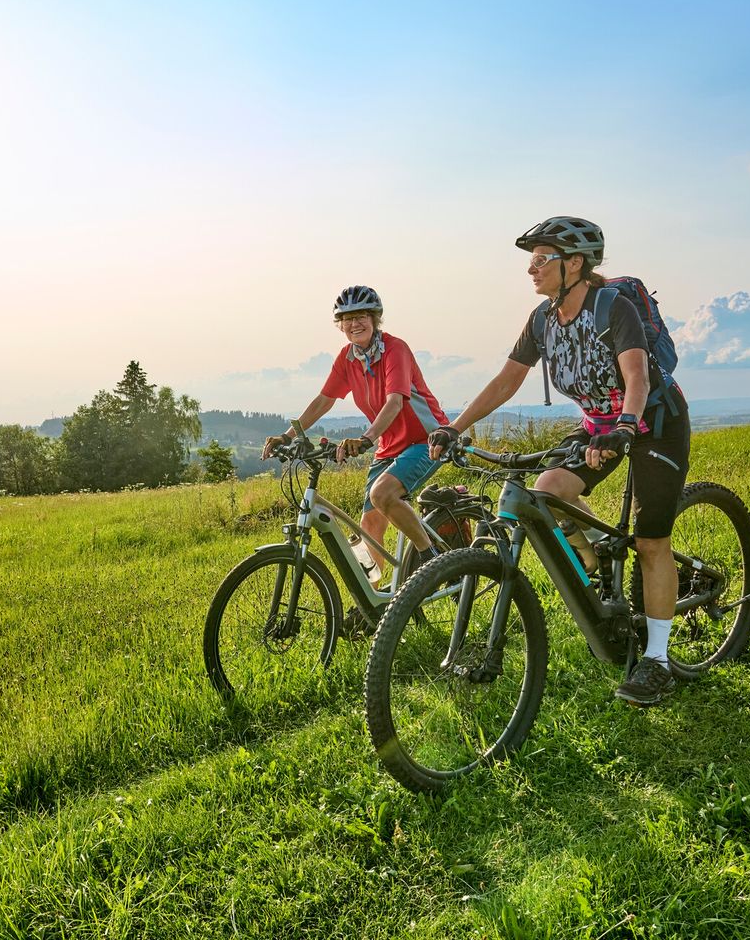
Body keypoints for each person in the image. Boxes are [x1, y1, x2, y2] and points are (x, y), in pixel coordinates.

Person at [428, 217, 691, 706]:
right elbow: (506, 381)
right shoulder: (542, 320)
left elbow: (636, 378)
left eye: (541, 259)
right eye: (531, 259)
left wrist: (626, 428)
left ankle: (656, 663)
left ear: (574, 264)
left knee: (652, 539)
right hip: (597, 424)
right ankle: (598, 561)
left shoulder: (614, 307)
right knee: (547, 491)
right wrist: (453, 428)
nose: (532, 269)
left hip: (653, 419)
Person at [262, 285, 451, 588]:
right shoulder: (347, 358)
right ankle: (372, 606)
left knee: (383, 494)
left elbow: (395, 401)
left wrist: (366, 438)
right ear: (340, 325)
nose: (354, 324)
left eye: (362, 316)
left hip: (426, 440)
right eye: (347, 319)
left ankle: (433, 564)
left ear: (375, 319)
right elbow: (324, 400)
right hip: (389, 445)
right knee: (369, 527)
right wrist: (287, 435)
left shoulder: (395, 349)